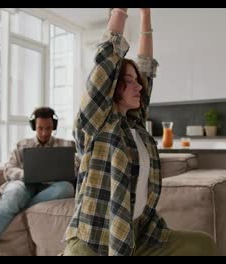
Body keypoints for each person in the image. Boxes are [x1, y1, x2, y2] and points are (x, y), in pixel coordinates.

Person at [63, 8, 217, 256]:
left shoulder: (134, 126)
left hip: (136, 237)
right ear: (113, 87)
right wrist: (121, 11)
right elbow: (106, 59)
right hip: (94, 241)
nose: (139, 87)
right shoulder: (96, 125)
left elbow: (146, 66)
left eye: (138, 81)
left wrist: (145, 14)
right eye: (130, 81)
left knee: (202, 245)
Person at [0, 106, 79, 256]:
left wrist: (63, 171)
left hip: (51, 186)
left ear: (53, 126)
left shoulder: (67, 145)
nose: (44, 133)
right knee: (15, 194)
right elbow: (8, 169)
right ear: (34, 126)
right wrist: (26, 174)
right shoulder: (22, 145)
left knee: (67, 188)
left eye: (48, 128)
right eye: (40, 128)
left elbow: (75, 169)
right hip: (24, 184)